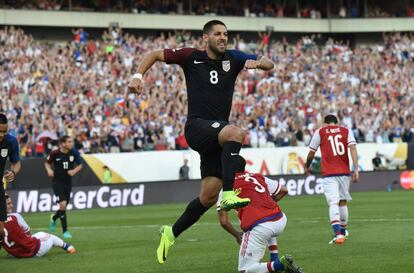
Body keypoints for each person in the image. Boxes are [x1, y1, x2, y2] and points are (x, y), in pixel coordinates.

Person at [127, 20, 274, 264]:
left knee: (206, 198)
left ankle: (170, 233)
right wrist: (137, 76)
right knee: (236, 133)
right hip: (197, 127)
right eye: (217, 34)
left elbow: (270, 63)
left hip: (215, 136)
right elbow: (154, 54)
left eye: (225, 34)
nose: (223, 37)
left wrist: (258, 63)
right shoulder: (190, 57)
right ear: (206, 38)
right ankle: (229, 194)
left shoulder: (235, 58)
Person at [218, 156, 302, 273]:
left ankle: (280, 265)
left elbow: (223, 220)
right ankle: (275, 260)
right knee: (266, 220)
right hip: (280, 219)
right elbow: (284, 190)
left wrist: (237, 235)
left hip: (260, 227)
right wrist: (265, 204)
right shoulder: (257, 176)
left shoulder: (227, 188)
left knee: (245, 270)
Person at [304, 114, 359, 245]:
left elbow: (312, 152)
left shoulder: (320, 132)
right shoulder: (346, 131)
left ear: (325, 122)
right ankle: (343, 232)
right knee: (343, 202)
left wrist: (307, 166)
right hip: (344, 172)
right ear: (337, 122)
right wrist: (356, 169)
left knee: (333, 203)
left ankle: (338, 235)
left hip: (329, 173)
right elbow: (353, 148)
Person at [1, 194, 76, 258]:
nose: (12, 205)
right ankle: (67, 246)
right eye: (8, 204)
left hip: (16, 254)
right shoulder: (15, 216)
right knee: (47, 236)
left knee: (36, 236)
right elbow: (28, 232)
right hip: (34, 250)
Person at [45, 136, 83, 239]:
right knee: (63, 204)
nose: (72, 143)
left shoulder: (74, 152)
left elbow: (80, 165)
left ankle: (53, 217)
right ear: (63, 144)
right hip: (57, 182)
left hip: (68, 183)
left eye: (72, 141)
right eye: (69, 142)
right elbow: (47, 163)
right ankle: (65, 231)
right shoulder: (55, 153)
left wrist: (74, 171)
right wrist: (49, 170)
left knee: (63, 207)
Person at [0, 113, 21, 244]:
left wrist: (13, 172)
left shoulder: (11, 141)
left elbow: (16, 163)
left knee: (1, 231)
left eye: (4, 131)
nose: (1, 134)